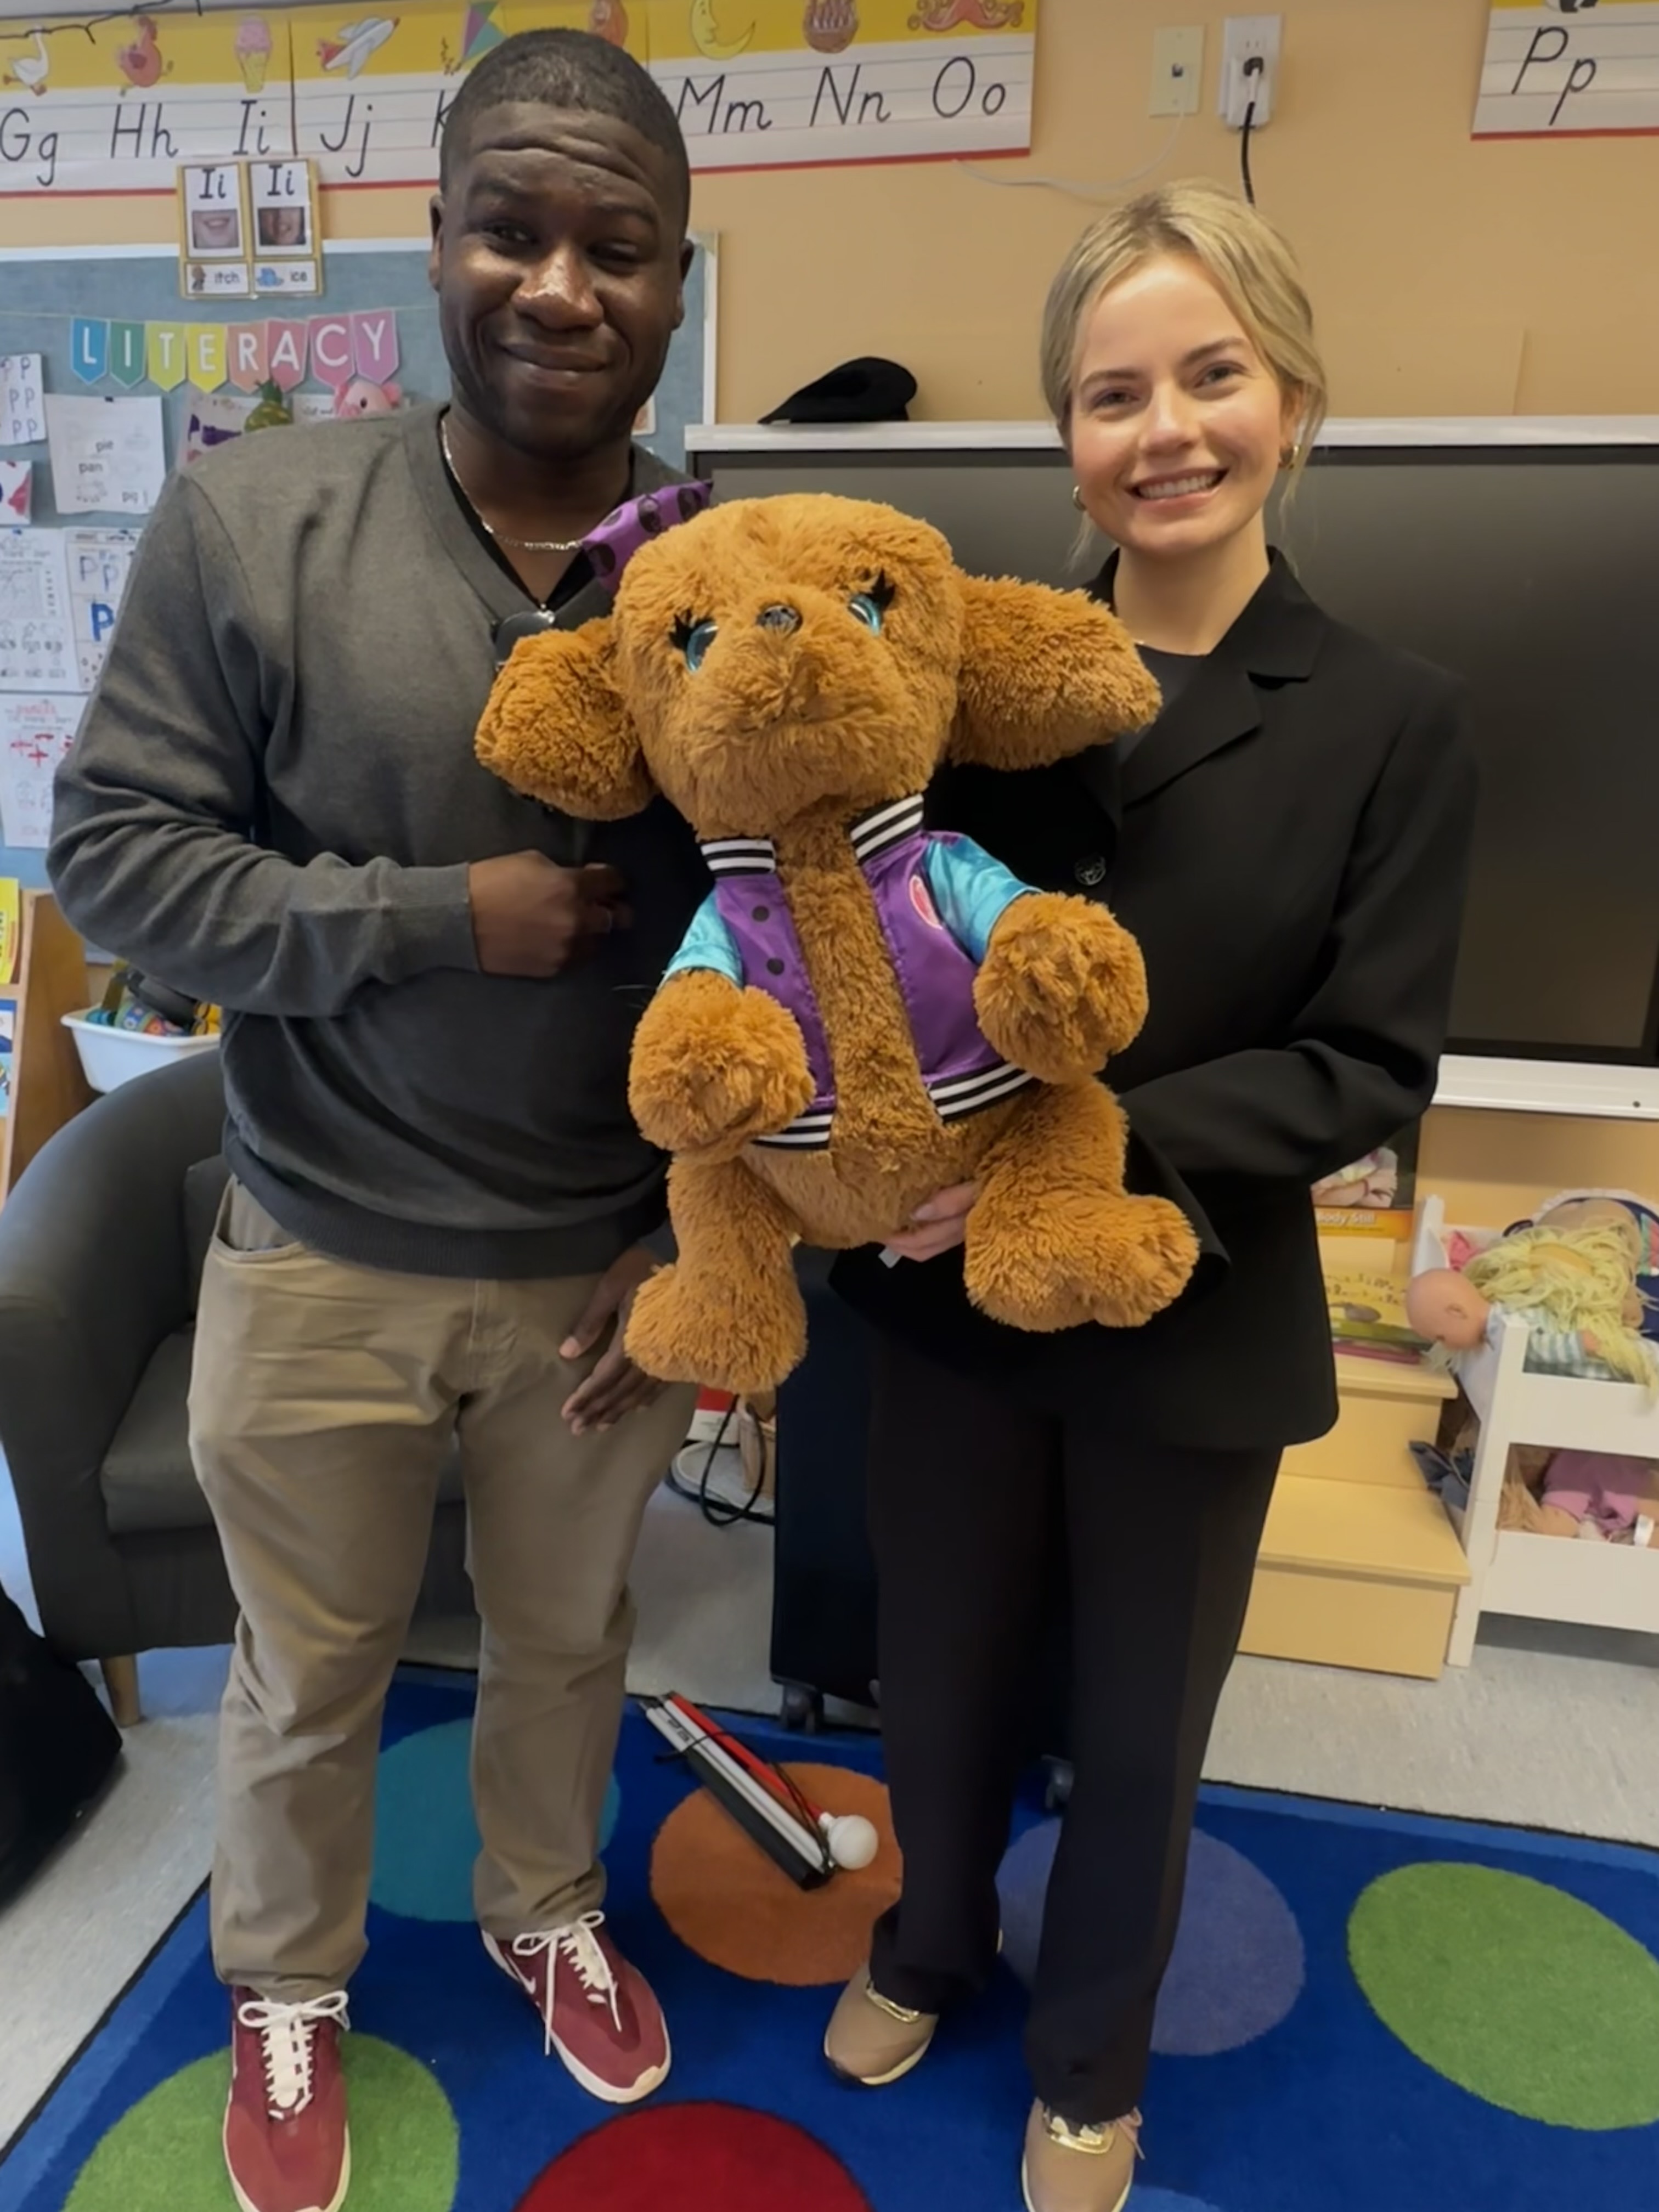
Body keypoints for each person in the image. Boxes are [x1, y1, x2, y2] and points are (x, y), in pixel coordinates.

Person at [49, 30, 709, 2212]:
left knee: (568, 1646)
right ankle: (287, 1979)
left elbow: (794, 959)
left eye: (614, 247)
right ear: (434, 242)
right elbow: (123, 866)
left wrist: (708, 1245)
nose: (556, 283)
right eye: (509, 228)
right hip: (321, 1246)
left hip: (600, 1273)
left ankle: (546, 1912)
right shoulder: (258, 524)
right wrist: (443, 916)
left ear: (674, 284)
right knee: (307, 1675)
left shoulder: (723, 574)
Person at [821, 179, 1478, 2212]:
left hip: (1195, 1311)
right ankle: (928, 1941)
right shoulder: (957, 685)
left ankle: (1092, 2056)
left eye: (1213, 376)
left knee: (1137, 1723)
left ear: (1290, 394)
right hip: (942, 1303)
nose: (1165, 429)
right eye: (1113, 394)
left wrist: (1086, 1159)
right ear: (1063, 433)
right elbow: (869, 942)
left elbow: (1368, 1061)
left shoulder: (1390, 718)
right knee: (934, 1667)